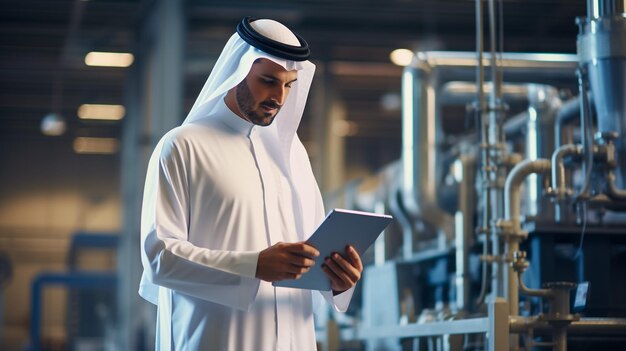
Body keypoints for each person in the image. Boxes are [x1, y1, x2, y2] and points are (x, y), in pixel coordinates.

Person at [139, 17, 364, 351]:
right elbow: (160, 257)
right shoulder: (183, 147)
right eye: (268, 81)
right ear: (237, 71)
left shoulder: (294, 157)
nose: (279, 96)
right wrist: (254, 265)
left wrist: (338, 280)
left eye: (288, 85)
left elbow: (313, 257)